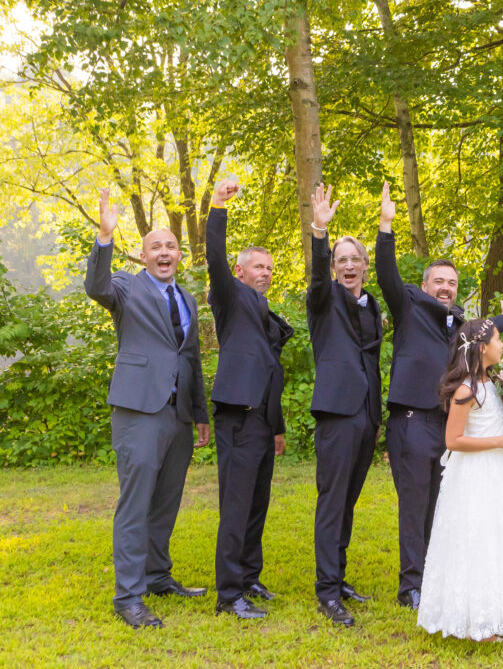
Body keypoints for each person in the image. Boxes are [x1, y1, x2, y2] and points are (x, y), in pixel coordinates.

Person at [376, 183, 503, 609]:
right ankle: (411, 587)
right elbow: (386, 273)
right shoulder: (408, 308)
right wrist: (386, 226)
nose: (445, 287)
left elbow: (482, 335)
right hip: (412, 422)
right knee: (414, 506)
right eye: (438, 281)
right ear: (423, 284)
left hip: (447, 424)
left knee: (442, 502)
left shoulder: (456, 325)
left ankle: (437, 577)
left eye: (452, 283)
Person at [85, 188, 209, 629]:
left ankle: (157, 576)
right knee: (136, 504)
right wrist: (104, 235)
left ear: (180, 255)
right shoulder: (124, 286)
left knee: (166, 501)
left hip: (177, 415)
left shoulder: (189, 299)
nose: (164, 252)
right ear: (142, 254)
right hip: (139, 410)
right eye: (155, 246)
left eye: (170, 246)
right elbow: (94, 286)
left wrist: (199, 414)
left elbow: (190, 357)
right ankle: (128, 596)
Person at [417, 319, 503, 641]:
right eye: (497, 340)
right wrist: (500, 442)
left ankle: (501, 610)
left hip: (500, 471)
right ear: (481, 349)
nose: (502, 345)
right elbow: (453, 440)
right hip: (476, 476)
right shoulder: (466, 389)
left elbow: (494, 424)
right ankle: (477, 620)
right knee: (479, 541)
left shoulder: (489, 383)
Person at [206, 180, 294, 620]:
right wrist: (219, 207)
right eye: (257, 267)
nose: (264, 272)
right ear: (240, 272)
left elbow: (270, 369)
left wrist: (276, 427)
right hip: (237, 417)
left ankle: (250, 576)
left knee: (257, 502)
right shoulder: (229, 295)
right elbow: (215, 259)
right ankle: (228, 594)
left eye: (269, 268)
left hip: (262, 421)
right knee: (236, 504)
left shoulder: (263, 308)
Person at [306, 184, 382, 627]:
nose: (349, 265)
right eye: (342, 259)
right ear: (334, 268)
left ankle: (340, 575)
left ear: (365, 268)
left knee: (349, 501)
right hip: (336, 413)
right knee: (333, 501)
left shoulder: (371, 306)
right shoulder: (323, 299)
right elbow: (316, 279)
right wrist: (321, 231)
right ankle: (327, 591)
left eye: (356, 259)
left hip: (367, 414)